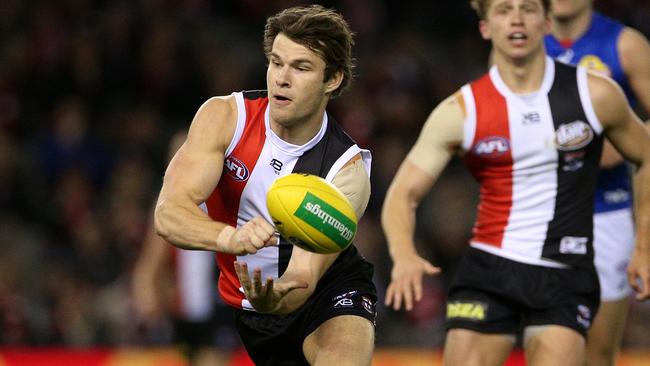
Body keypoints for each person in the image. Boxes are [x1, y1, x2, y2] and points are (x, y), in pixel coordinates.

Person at [381, 0, 650, 365]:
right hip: (491, 268)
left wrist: (644, 246)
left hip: (565, 271)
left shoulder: (596, 95)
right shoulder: (462, 110)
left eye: (527, 8)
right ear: (486, 28)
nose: (517, 19)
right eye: (504, 10)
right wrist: (404, 255)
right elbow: (402, 194)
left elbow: (646, 154)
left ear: (546, 23)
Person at [154, 5, 376, 366]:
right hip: (252, 309)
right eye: (276, 62)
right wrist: (230, 239)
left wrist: (277, 299)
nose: (281, 78)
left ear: (332, 79)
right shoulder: (225, 118)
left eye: (301, 67)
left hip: (326, 291)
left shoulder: (346, 170)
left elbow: (304, 275)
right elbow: (168, 214)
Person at [544, 2, 650, 365]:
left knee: (598, 351)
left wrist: (626, 139)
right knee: (543, 345)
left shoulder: (625, 45)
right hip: (539, 213)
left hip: (606, 212)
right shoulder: (521, 41)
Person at [132, 132, 241, 366]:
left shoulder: (226, 195)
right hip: (183, 312)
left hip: (220, 305)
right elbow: (152, 260)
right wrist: (147, 294)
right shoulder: (168, 204)